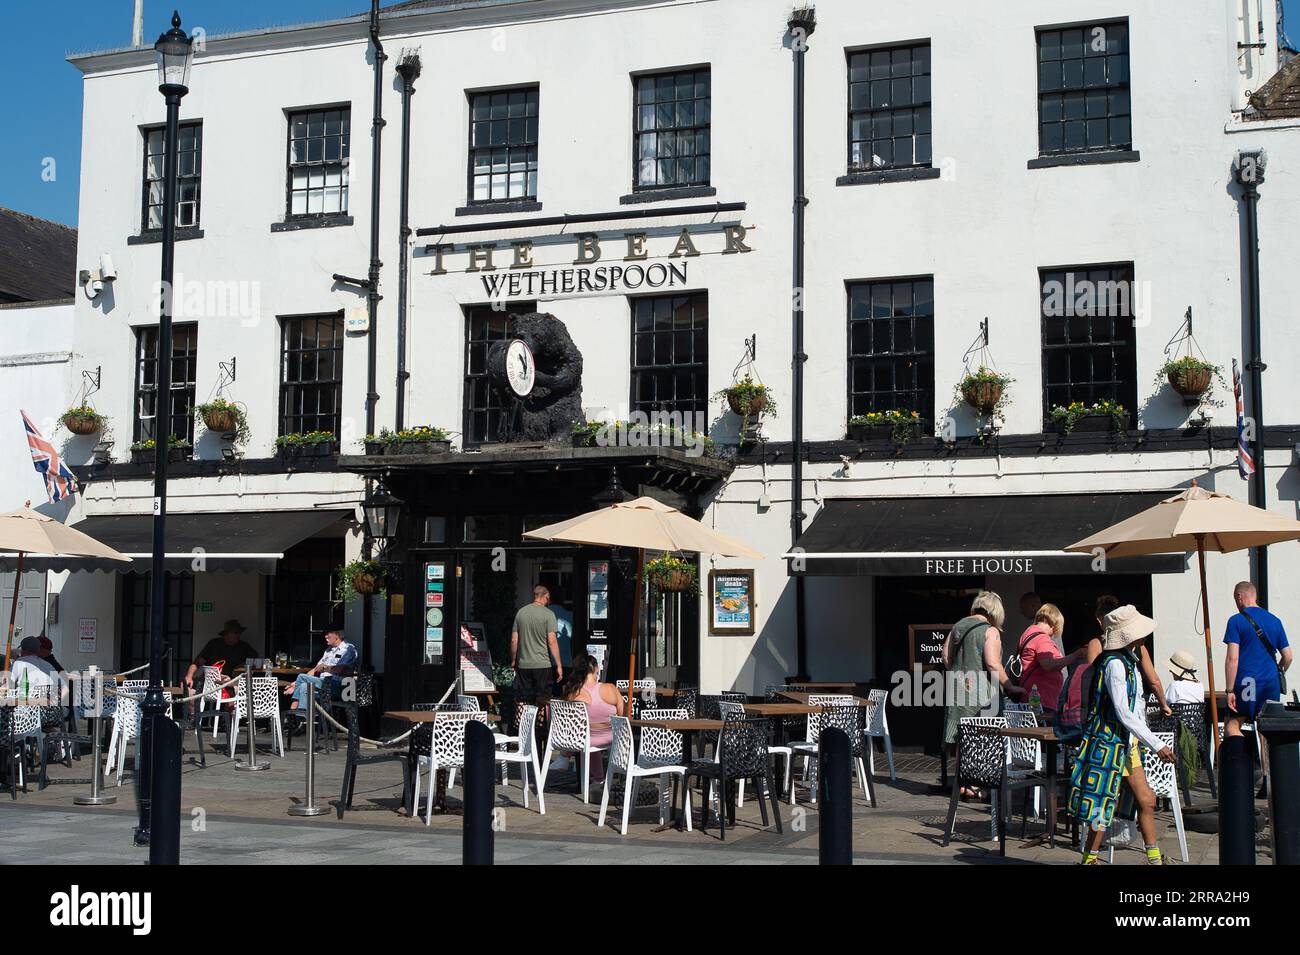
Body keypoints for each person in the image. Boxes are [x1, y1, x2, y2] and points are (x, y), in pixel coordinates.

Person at [1069, 605, 1177, 865]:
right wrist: (1157, 743)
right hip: (1108, 743)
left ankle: (1153, 860)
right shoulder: (1115, 665)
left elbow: (1135, 710)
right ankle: (1089, 860)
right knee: (1100, 809)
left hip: (1126, 745)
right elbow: (1123, 712)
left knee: (1147, 800)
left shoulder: (1130, 660)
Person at [943, 591, 1024, 797]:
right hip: (983, 695)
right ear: (996, 611)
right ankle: (976, 785)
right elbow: (992, 663)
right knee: (984, 738)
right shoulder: (990, 631)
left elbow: (945, 657)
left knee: (964, 738)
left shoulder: (958, 626)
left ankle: (964, 782)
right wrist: (1009, 686)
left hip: (957, 691)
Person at [1223, 580, 1292, 797]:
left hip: (1247, 682)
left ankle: (1241, 772)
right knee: (1266, 729)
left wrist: (1229, 690)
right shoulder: (1275, 620)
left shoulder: (1236, 621)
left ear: (1240, 597)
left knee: (1233, 723)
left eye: (1236, 599)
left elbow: (1232, 659)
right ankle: (1269, 780)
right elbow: (1288, 656)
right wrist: (1278, 670)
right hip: (1270, 683)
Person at [560, 651, 623, 781]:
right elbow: (622, 716)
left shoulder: (573, 692)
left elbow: (569, 721)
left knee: (582, 730)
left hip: (582, 739)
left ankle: (565, 756)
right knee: (591, 734)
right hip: (610, 737)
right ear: (596, 669)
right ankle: (599, 778)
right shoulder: (610, 688)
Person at [1015, 603, 1086, 715]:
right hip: (1041, 702)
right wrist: (1075, 656)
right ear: (1054, 623)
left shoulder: (1028, 633)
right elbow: (1048, 665)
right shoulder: (1042, 638)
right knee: (1045, 731)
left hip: (1030, 698)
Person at [511, 585, 563, 728]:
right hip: (542, 665)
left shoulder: (521, 613)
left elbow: (514, 640)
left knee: (522, 699)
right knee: (543, 700)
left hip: (523, 665)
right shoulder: (548, 614)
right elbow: (552, 641)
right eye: (549, 598)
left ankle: (520, 733)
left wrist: (514, 660)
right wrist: (558, 665)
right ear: (546, 596)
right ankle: (541, 734)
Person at [283, 630, 357, 712]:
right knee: (303, 686)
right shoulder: (329, 650)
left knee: (301, 676)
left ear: (337, 635)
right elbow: (316, 669)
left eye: (328, 634)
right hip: (324, 685)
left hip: (338, 686)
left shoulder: (348, 649)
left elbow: (340, 669)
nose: (325, 636)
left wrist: (325, 667)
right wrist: (296, 683)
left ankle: (292, 710)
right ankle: (303, 719)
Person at [183, 619, 258, 693]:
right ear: (227, 634)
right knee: (188, 687)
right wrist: (189, 676)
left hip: (232, 681)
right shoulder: (214, 644)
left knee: (238, 690)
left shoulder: (243, 646)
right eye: (235, 633)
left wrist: (240, 667)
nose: (238, 635)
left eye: (239, 633)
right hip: (211, 681)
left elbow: (255, 660)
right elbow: (198, 662)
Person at [550, 593, 575, 667]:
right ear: (563, 599)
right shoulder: (569, 615)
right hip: (565, 661)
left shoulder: (543, 614)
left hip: (546, 663)